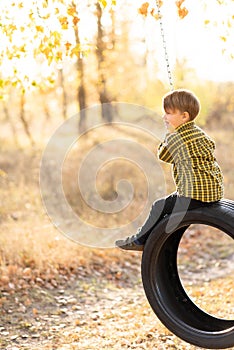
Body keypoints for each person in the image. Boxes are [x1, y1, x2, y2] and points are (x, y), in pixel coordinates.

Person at [115, 89, 224, 251]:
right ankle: (155, 239)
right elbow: (210, 146)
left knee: (159, 206)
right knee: (170, 202)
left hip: (194, 196)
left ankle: (140, 241)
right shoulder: (201, 134)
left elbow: (163, 155)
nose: (164, 117)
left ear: (184, 116)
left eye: (168, 113)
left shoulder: (175, 138)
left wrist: (169, 134)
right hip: (213, 192)